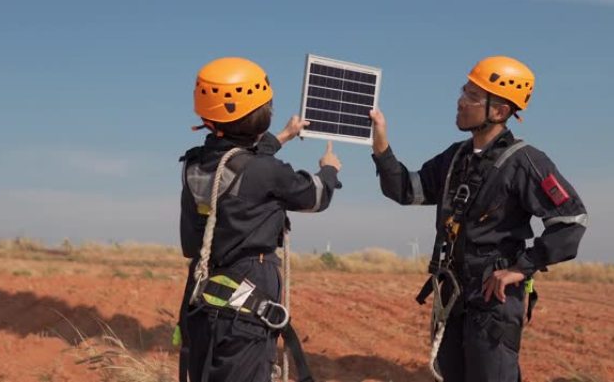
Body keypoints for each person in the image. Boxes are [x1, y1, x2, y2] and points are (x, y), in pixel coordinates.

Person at [369, 56, 587, 382]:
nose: (460, 101)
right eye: (464, 91)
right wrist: (381, 142)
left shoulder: (526, 162)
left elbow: (571, 221)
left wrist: (519, 268)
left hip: (492, 300)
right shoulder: (456, 157)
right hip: (453, 293)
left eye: (471, 96)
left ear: (498, 112)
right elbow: (406, 189)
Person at [176, 57, 341, 382]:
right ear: (260, 114)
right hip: (246, 303)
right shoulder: (265, 172)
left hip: (203, 299)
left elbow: (239, 161)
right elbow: (315, 196)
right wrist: (330, 169)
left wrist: (283, 136)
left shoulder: (195, 165)